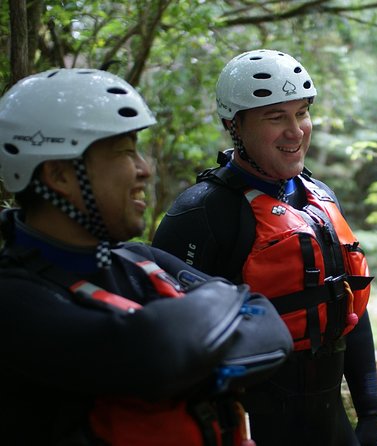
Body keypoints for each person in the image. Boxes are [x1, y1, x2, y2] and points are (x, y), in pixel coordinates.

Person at [0, 68, 293, 445]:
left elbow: (271, 329)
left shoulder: (139, 259)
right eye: (124, 152)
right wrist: (226, 297)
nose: (145, 169)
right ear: (59, 175)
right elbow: (154, 351)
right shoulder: (12, 299)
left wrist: (185, 360)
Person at [152, 49, 377, 445]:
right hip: (247, 427)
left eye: (302, 113)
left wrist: (370, 413)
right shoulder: (201, 213)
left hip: (330, 423)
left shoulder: (320, 198)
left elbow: (349, 308)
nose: (296, 131)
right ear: (234, 125)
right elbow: (167, 348)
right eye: (276, 117)